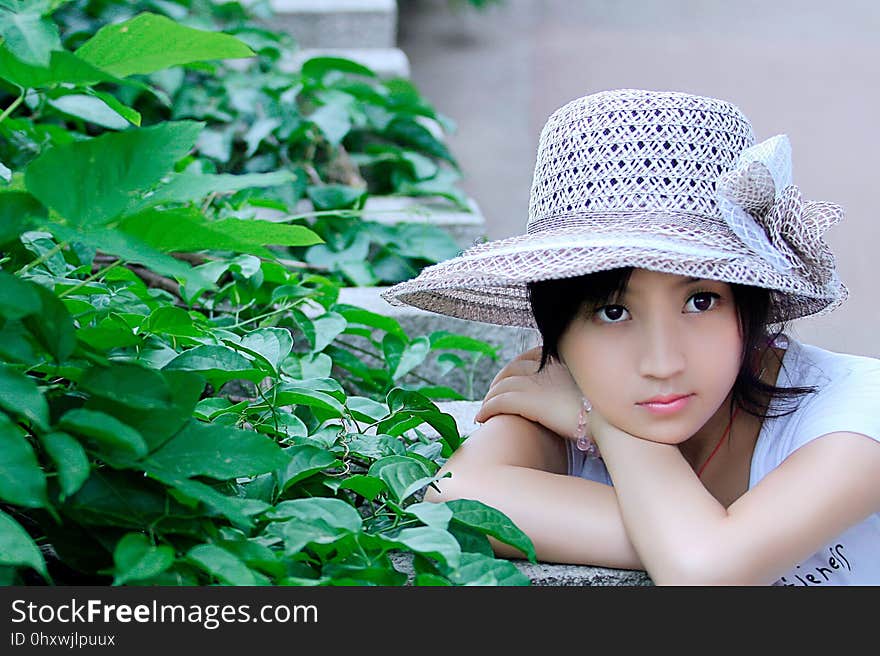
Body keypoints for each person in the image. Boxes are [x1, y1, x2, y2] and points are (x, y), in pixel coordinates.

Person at [380, 89, 880, 585]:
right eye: (613, 311)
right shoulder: (562, 391)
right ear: (557, 329)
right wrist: (697, 534)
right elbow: (456, 497)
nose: (662, 363)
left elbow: (704, 571)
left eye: (701, 301)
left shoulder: (857, 412)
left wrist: (600, 424)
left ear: (749, 304)